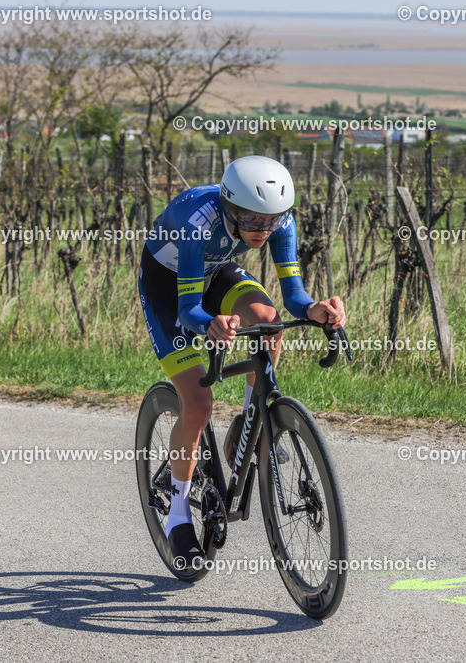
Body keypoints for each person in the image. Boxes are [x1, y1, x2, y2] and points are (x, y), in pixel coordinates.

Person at [137, 155, 346, 567]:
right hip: (170, 287)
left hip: (216, 271)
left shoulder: (278, 221)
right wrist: (211, 325)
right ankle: (178, 514)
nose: (261, 230)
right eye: (250, 221)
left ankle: (250, 422)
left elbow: (293, 298)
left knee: (270, 322)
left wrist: (316, 309)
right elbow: (189, 311)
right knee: (197, 404)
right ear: (229, 207)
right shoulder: (198, 220)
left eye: (269, 221)